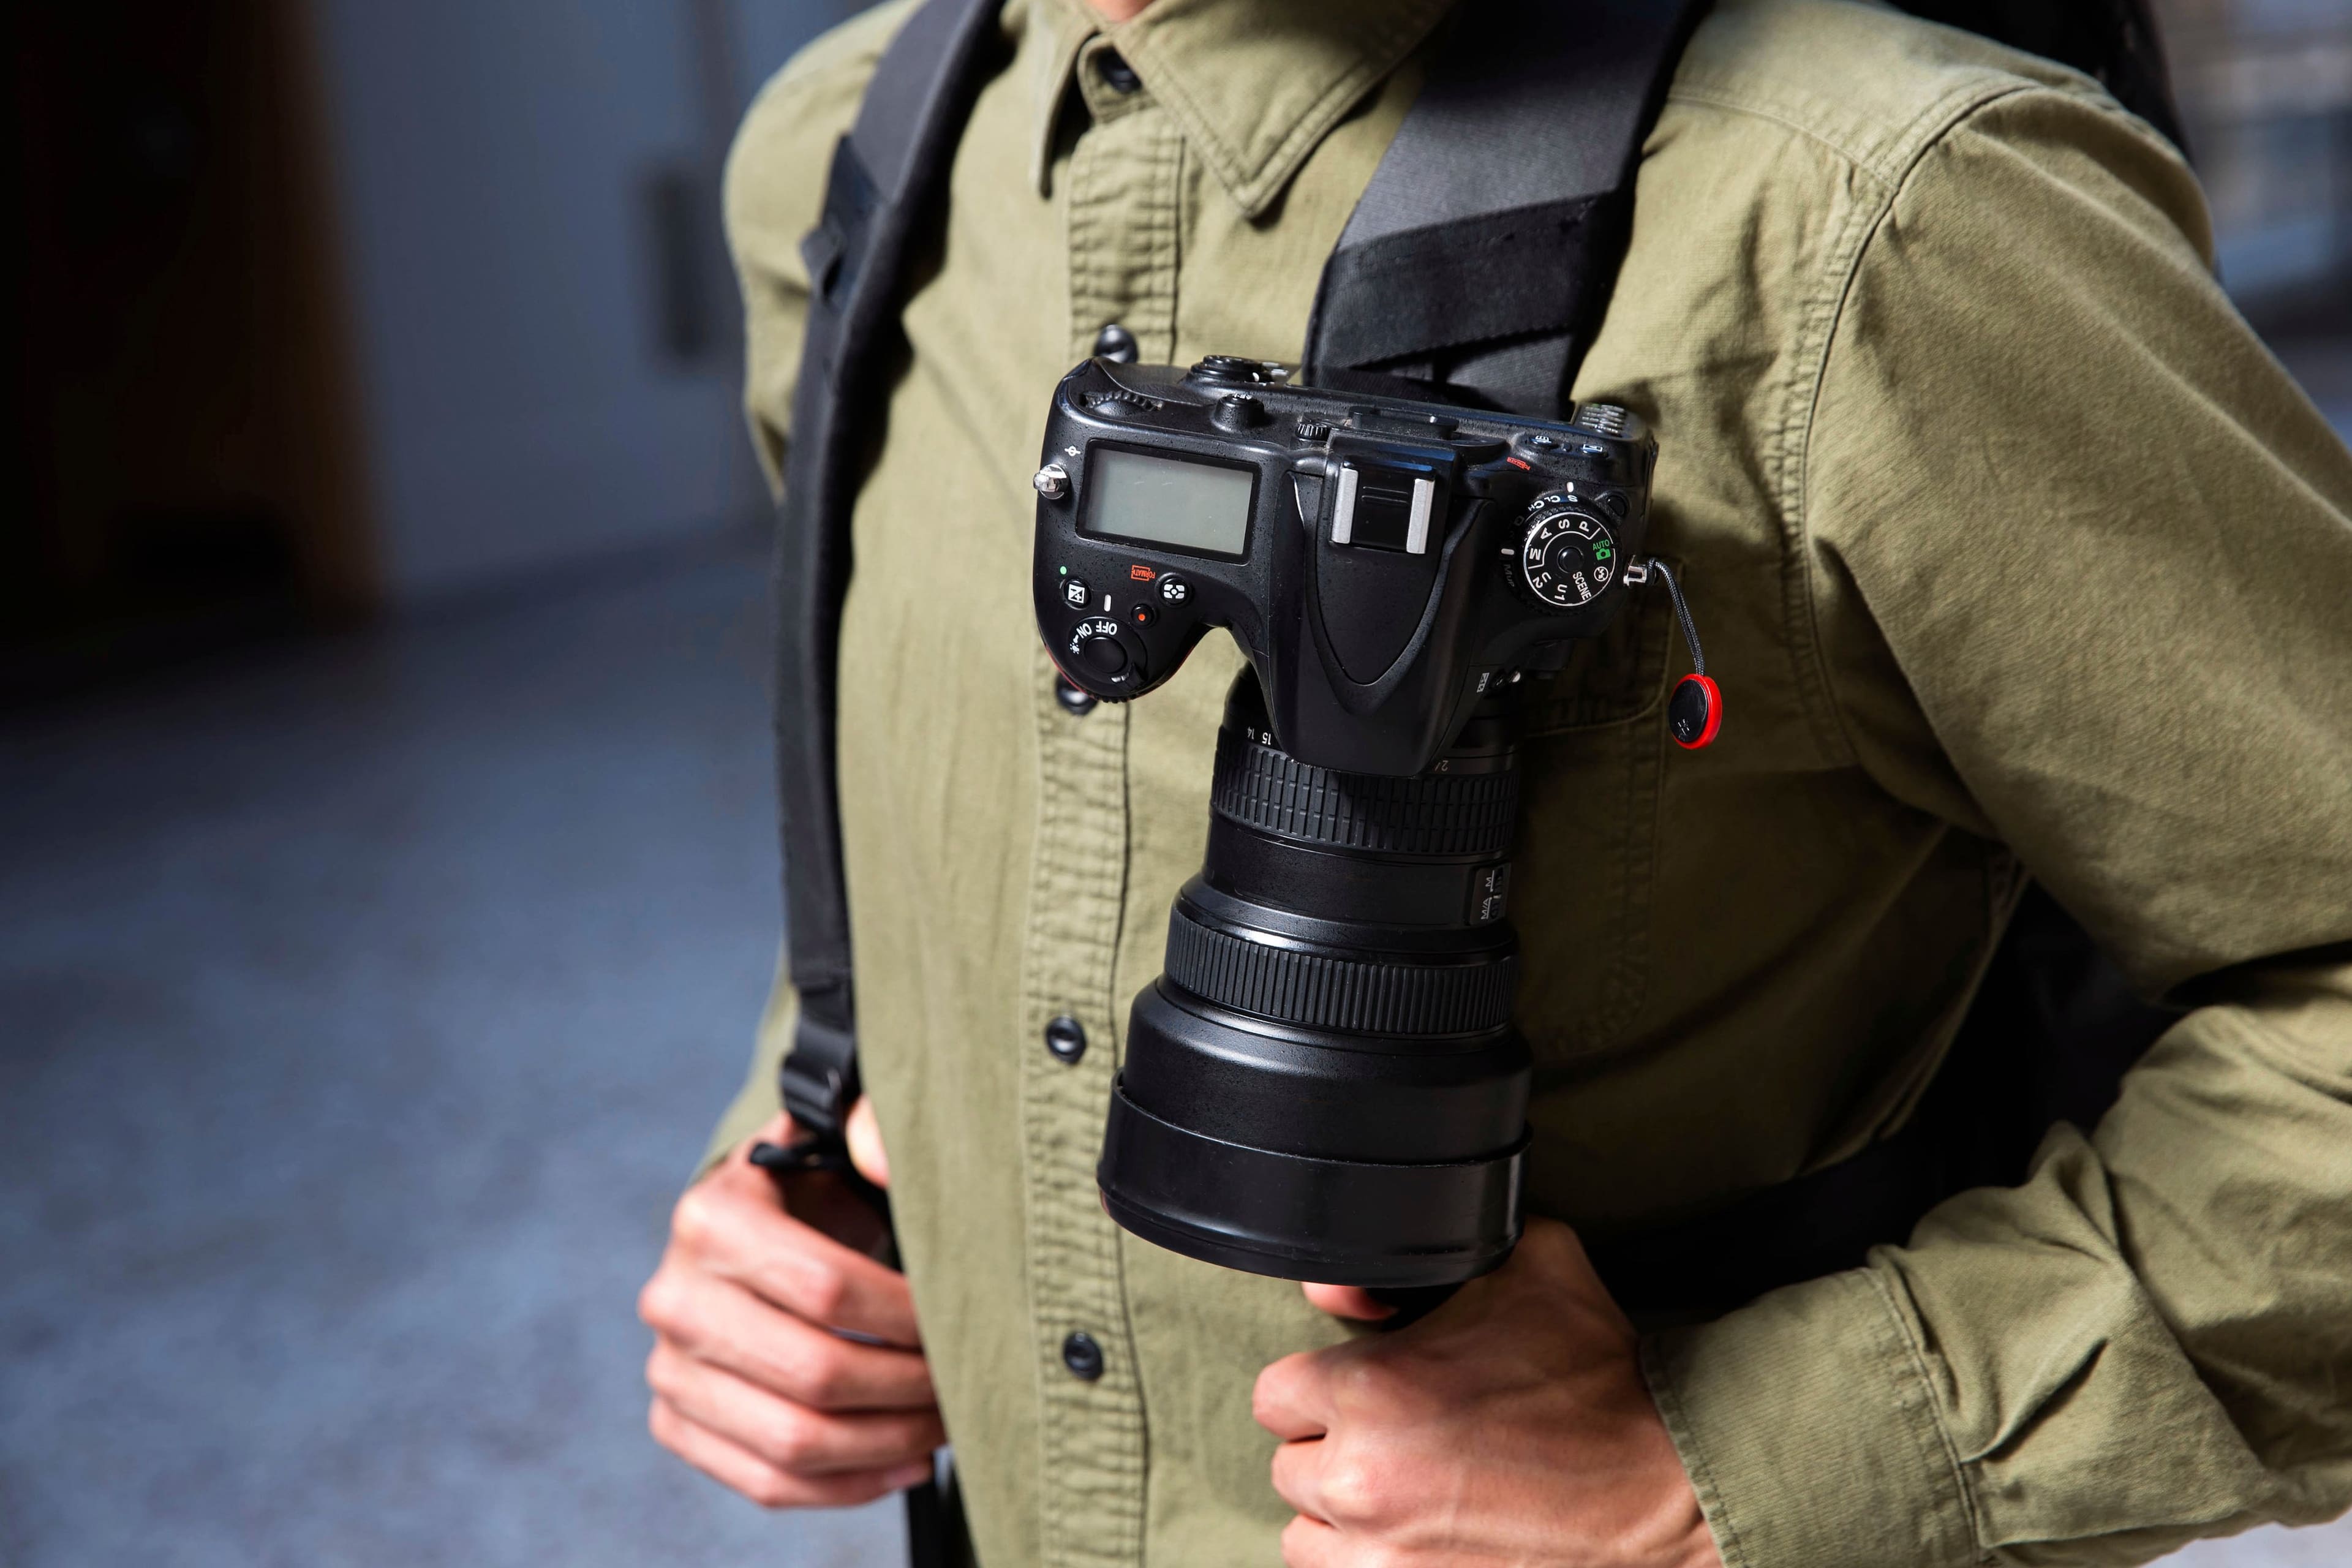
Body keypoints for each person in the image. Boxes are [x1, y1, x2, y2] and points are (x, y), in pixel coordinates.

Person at [636, 0, 2352, 1562]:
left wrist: (1751, 1464)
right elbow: (931, 820)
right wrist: (807, 1163)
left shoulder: (1876, 212)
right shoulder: (852, 154)